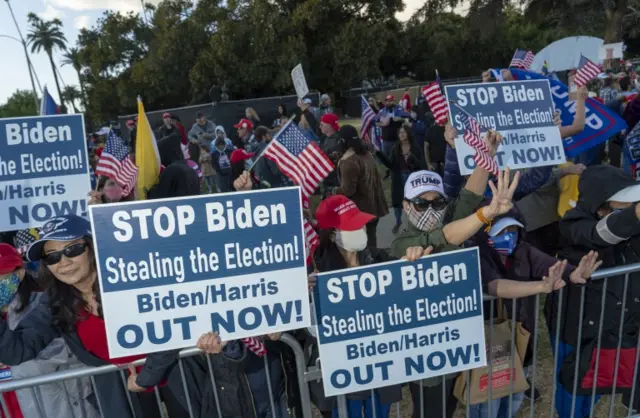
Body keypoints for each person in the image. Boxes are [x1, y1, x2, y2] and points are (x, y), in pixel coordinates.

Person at [0, 215, 206, 418]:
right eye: (52, 256)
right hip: (120, 388)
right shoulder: (54, 300)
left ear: (92, 247)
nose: (63, 262)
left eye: (72, 249)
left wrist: (147, 376)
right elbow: (17, 351)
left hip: (173, 371)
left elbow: (171, 324)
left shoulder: (129, 276)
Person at [391, 165, 520, 418]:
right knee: (430, 410)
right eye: (420, 203)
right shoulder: (401, 240)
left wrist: (486, 157)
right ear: (406, 206)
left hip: (455, 343)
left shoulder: (449, 218)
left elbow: (470, 194)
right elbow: (446, 236)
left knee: (449, 406)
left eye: (437, 202)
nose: (429, 210)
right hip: (425, 351)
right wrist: (488, 212)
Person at [468, 212, 601, 418]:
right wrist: (540, 286)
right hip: (490, 344)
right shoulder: (477, 256)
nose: (508, 236)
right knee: (488, 403)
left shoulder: (524, 250)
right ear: (485, 233)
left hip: (522, 339)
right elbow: (495, 286)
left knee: (515, 395)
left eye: (512, 230)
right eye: (501, 231)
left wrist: (573, 274)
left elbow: (550, 265)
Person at [308, 194, 427, 418]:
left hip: (379, 368)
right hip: (344, 373)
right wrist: (308, 296)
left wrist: (412, 258)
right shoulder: (319, 273)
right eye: (352, 227)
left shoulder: (377, 258)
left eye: (361, 225)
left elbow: (402, 283)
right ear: (333, 235)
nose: (361, 230)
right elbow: (313, 328)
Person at [545, 165, 640, 417]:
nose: (634, 208)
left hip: (613, 325)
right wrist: (634, 215)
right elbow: (603, 234)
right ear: (601, 208)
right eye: (627, 205)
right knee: (573, 386)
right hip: (575, 327)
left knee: (599, 384)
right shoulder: (573, 224)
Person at [0, 243, 100, 418]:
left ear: (20, 272)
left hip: (63, 401)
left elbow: (71, 347)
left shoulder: (43, 301)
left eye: (2, 276)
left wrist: (13, 357)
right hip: (16, 403)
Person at [331, 125, 388, 249]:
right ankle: (374, 261)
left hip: (361, 211)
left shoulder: (348, 161)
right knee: (372, 242)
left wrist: (334, 191)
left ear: (343, 141)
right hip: (374, 208)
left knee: (361, 248)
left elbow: (348, 191)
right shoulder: (366, 154)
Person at [376, 124, 426, 234]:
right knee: (398, 201)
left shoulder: (415, 147)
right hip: (398, 178)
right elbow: (391, 164)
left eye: (404, 132)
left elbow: (421, 165)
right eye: (400, 133)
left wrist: (412, 158)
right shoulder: (396, 148)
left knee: (412, 200)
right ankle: (398, 221)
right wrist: (378, 153)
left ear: (408, 133)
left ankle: (413, 223)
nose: (401, 134)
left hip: (412, 177)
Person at [376, 95, 410, 160]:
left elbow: (408, 117)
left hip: (397, 139)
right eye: (387, 101)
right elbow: (376, 122)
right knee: (387, 157)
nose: (388, 102)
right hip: (386, 139)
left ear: (393, 101)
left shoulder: (399, 109)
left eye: (390, 101)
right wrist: (383, 124)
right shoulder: (382, 111)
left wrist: (400, 119)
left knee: (399, 156)